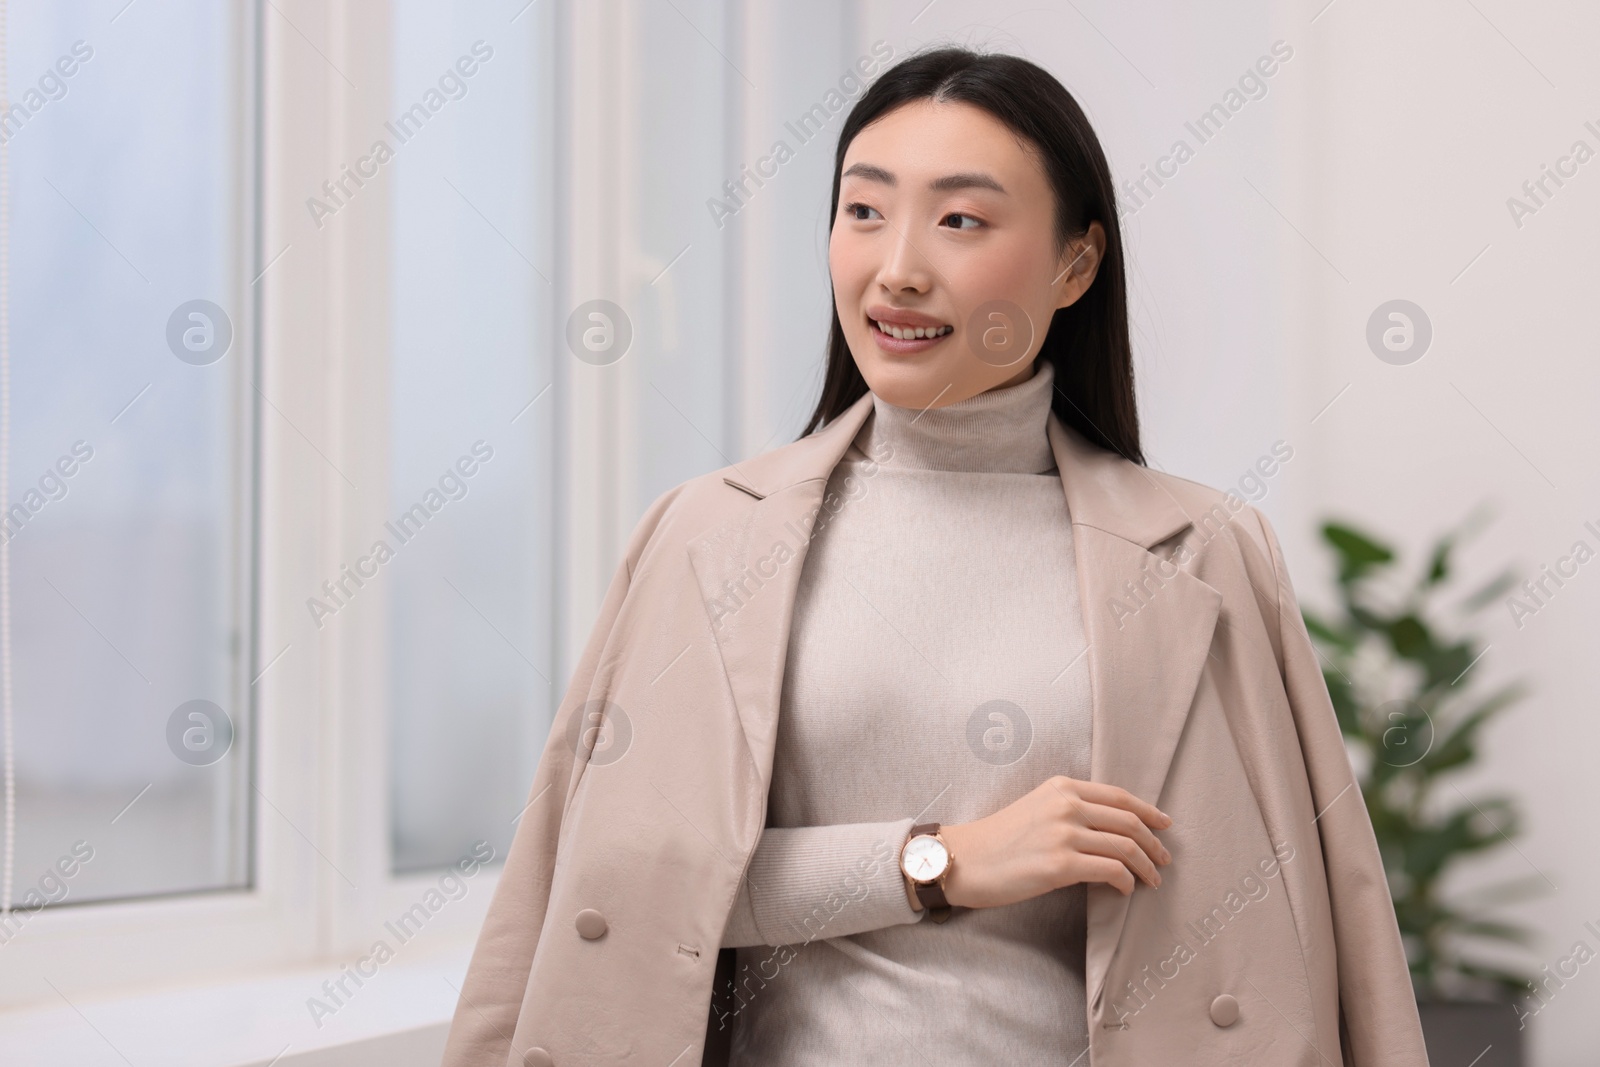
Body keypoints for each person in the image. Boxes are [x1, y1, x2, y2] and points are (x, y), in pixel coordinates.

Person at [440, 46, 1429, 1067]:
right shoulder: (702, 535)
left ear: (1075, 264)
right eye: (863, 210)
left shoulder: (1209, 553)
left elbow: (1332, 921)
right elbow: (619, 892)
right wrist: (938, 861)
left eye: (960, 220)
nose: (897, 265)